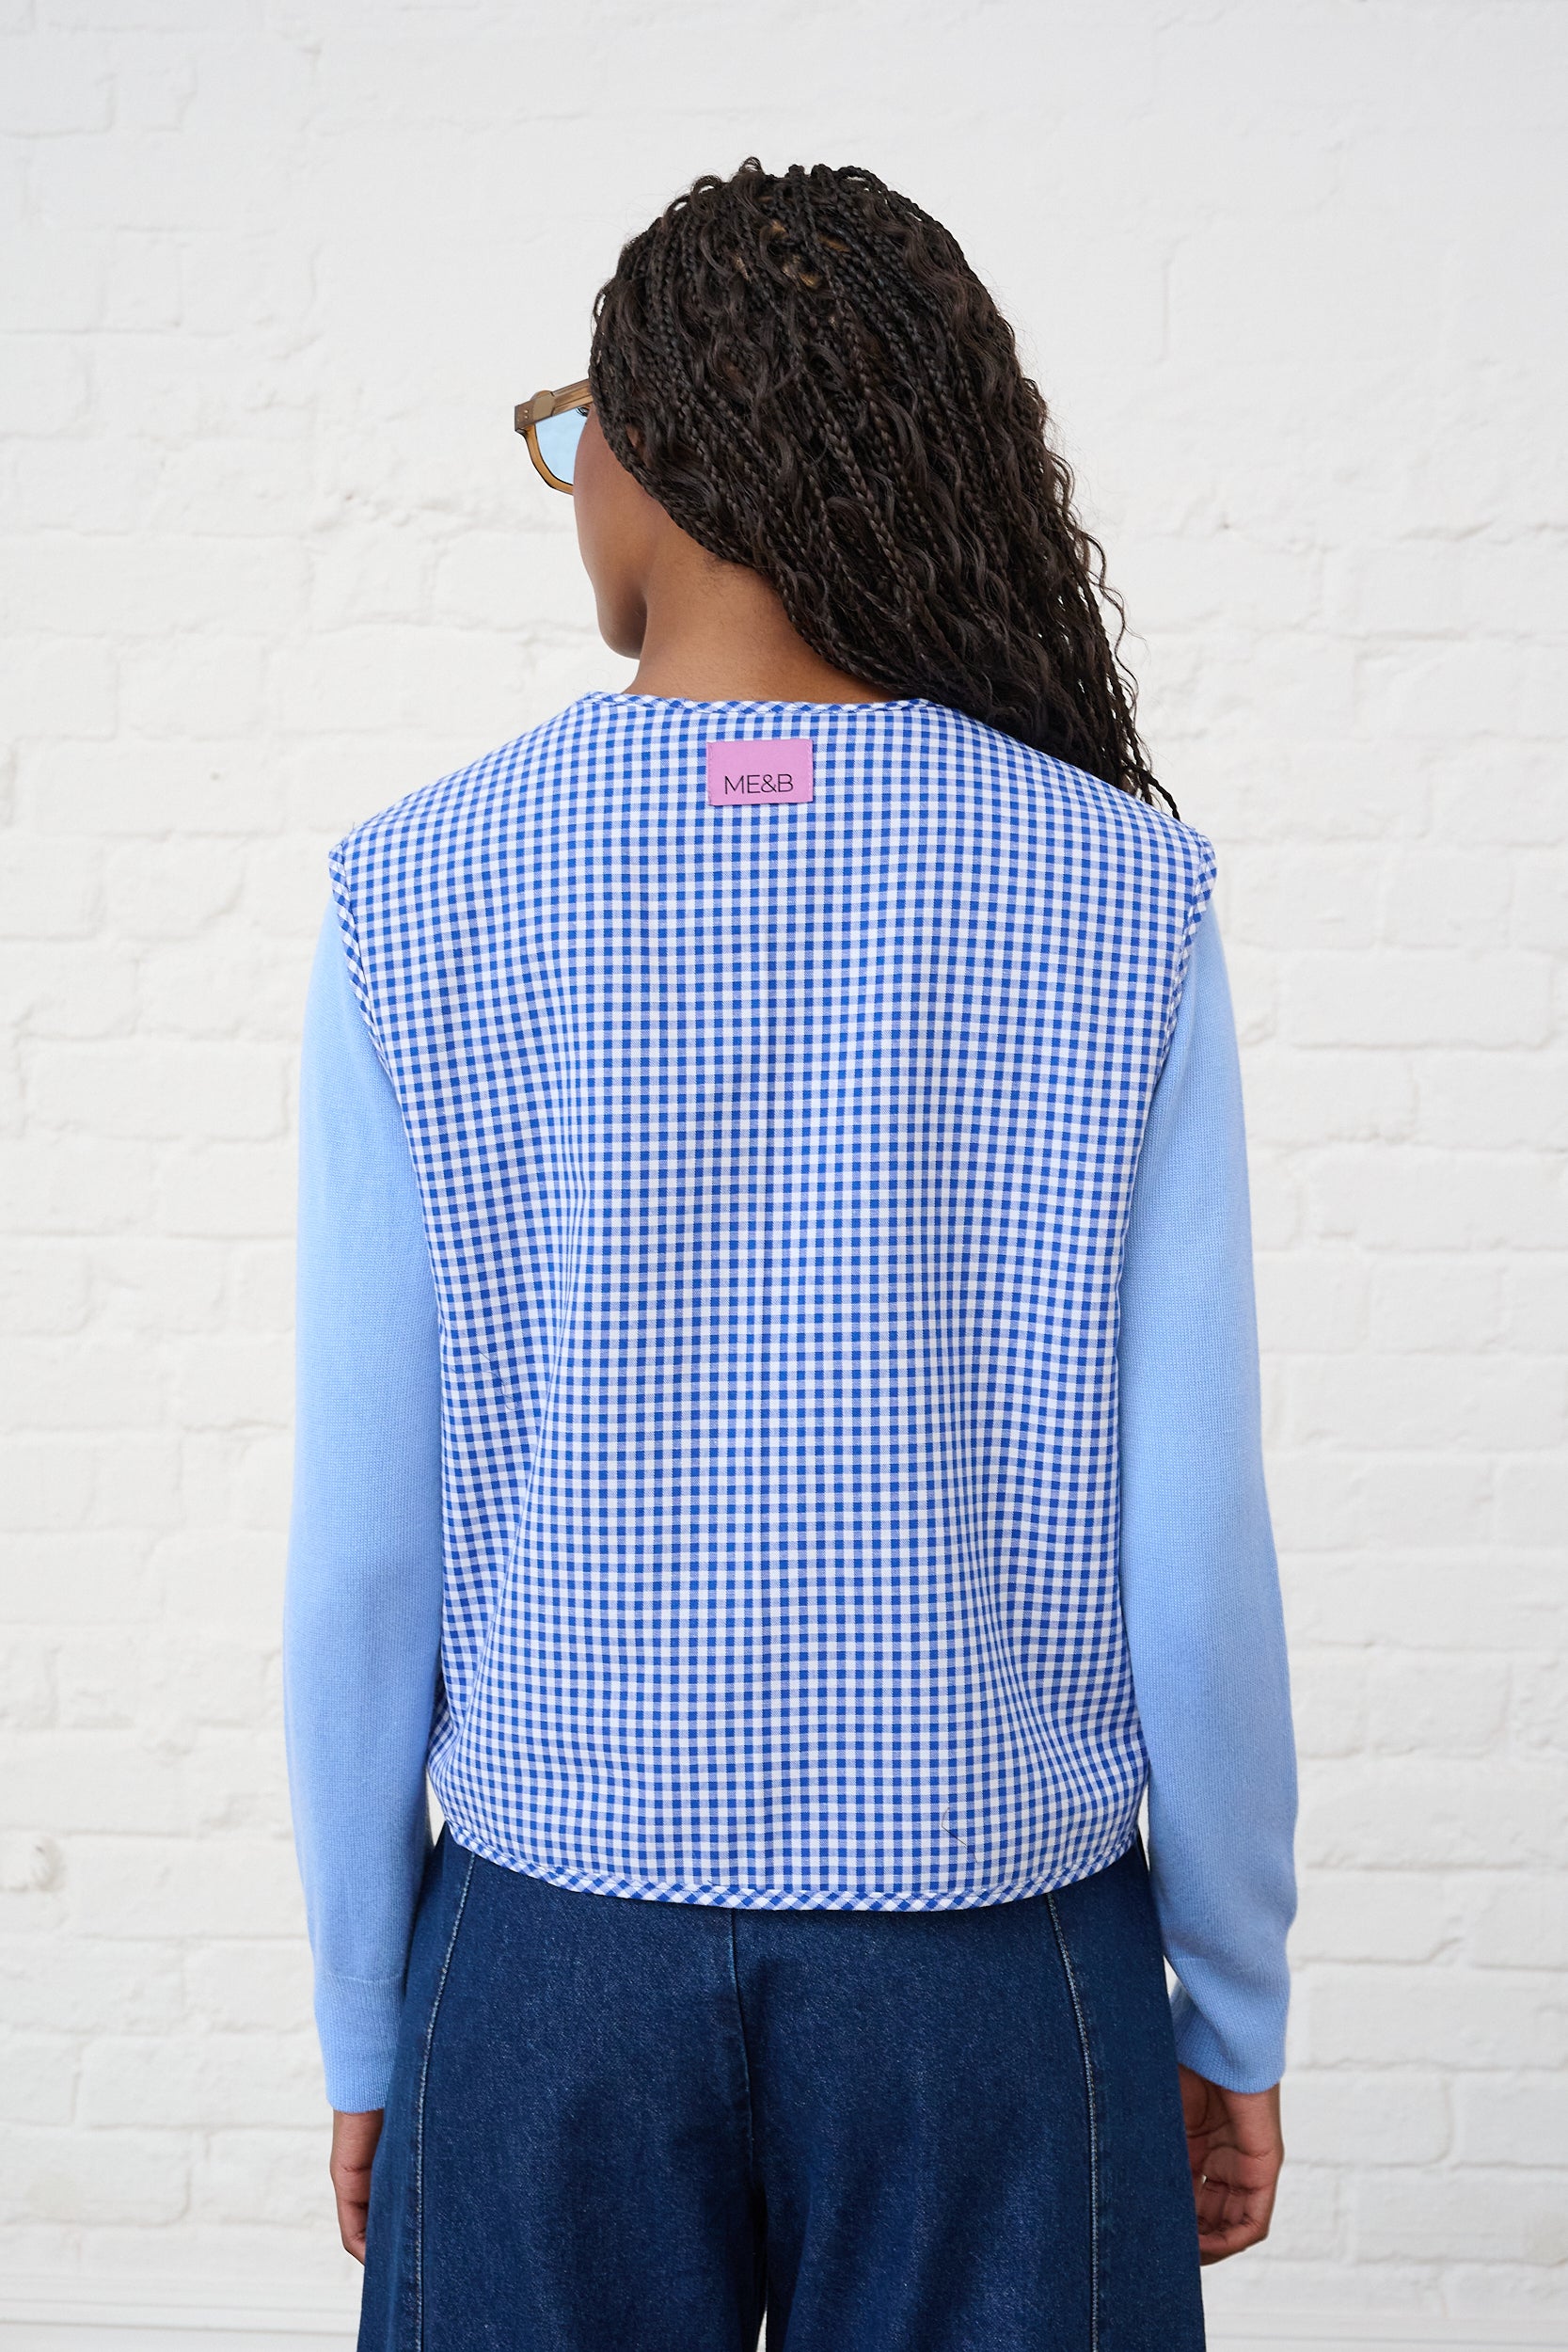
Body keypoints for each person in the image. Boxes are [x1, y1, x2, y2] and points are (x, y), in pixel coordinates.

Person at [283, 159, 1297, 2352]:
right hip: (998, 1964)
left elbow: (364, 1552)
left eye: (573, 431)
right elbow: (1196, 1545)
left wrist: (372, 2008)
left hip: (547, 1948)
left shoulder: (420, 896)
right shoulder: (1117, 899)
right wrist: (1231, 1986)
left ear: (646, 450)